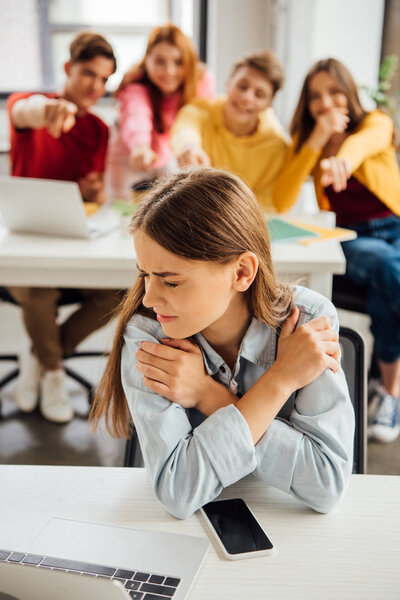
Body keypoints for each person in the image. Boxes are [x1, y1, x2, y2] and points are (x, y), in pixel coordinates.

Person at [91, 168, 354, 519]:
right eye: (145, 275)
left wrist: (210, 396)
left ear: (242, 272)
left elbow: (327, 484)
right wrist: (280, 381)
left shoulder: (308, 321)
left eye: (170, 282)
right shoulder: (149, 337)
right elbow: (179, 491)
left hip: (280, 524)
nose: (150, 298)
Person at [273, 57, 400, 444]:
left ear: (349, 92)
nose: (326, 102)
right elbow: (282, 198)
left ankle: (389, 389)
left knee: (387, 286)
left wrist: (344, 156)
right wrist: (317, 141)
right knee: (386, 267)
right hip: (353, 236)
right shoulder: (307, 142)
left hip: (395, 224)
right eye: (315, 96)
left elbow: (368, 142)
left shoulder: (375, 122)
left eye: (334, 91)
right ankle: (392, 391)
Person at [7, 31, 122, 423]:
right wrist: (49, 111)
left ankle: (40, 354)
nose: (95, 85)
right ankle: (53, 372)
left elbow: (91, 199)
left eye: (104, 79)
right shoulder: (29, 105)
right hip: (23, 242)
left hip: (71, 239)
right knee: (39, 286)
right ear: (67, 68)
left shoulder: (99, 132)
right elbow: (27, 111)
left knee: (119, 291)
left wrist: (91, 192)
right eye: (88, 73)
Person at [106, 23, 214, 201]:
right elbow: (137, 115)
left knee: (169, 208)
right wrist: (140, 147)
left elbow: (195, 120)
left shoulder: (199, 81)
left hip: (165, 156)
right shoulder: (135, 84)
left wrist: (192, 147)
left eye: (178, 62)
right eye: (160, 61)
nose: (169, 71)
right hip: (128, 154)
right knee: (123, 208)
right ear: (147, 59)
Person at [170, 51, 288, 210]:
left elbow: (266, 205)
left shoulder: (276, 144)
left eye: (259, 94)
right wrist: (189, 147)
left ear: (269, 103)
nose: (247, 97)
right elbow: (184, 132)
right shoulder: (198, 111)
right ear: (228, 82)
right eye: (242, 86)